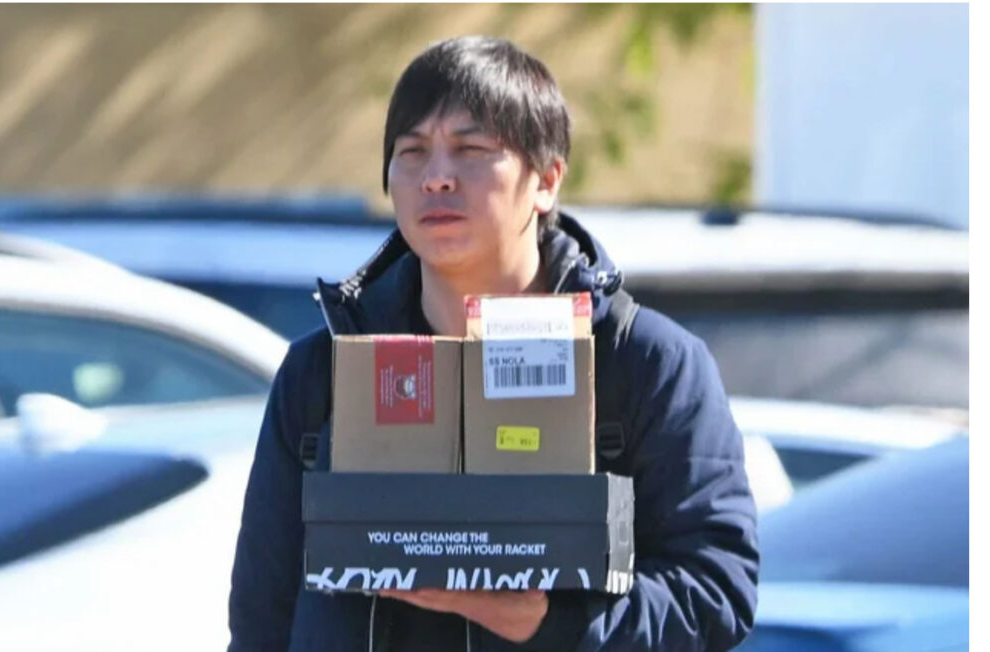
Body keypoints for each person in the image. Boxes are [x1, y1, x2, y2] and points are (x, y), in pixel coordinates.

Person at [228, 35, 758, 652]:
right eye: (412, 152)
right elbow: (261, 622)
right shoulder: (323, 372)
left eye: (471, 150)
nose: (437, 178)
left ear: (546, 180)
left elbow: (716, 592)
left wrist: (551, 620)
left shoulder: (643, 362)